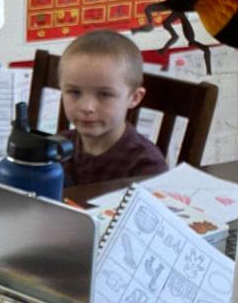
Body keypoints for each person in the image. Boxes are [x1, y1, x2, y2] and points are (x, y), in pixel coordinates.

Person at [58, 28, 167, 192]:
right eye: (74, 92)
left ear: (134, 98)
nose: (87, 107)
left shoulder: (147, 165)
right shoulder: (56, 147)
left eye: (104, 94)